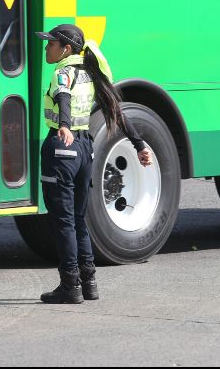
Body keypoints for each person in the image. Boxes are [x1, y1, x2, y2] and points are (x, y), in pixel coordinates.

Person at [35, 24, 153, 304]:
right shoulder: (91, 75)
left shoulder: (62, 72)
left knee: (63, 221)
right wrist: (138, 144)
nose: (46, 48)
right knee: (78, 218)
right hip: (85, 149)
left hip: (61, 147)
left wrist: (63, 125)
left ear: (66, 49)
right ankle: (89, 282)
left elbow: (62, 96)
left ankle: (70, 285)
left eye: (51, 43)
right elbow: (116, 111)